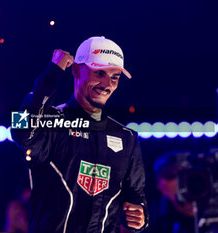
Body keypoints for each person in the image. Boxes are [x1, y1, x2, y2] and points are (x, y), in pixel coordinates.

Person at [11, 36, 148, 233]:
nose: (106, 84)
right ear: (76, 70)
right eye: (99, 73)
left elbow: (136, 197)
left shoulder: (127, 137)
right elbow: (19, 129)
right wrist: (51, 75)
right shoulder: (52, 122)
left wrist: (140, 217)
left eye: (114, 77)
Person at [146, 151, 195, 233]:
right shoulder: (154, 214)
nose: (183, 181)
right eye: (172, 175)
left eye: (187, 173)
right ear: (159, 186)